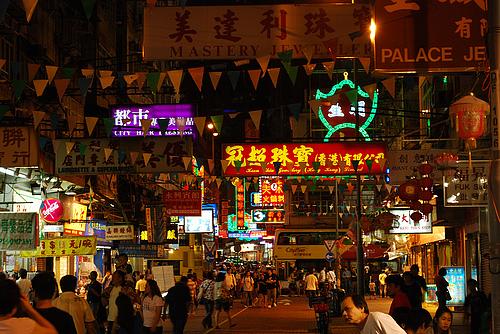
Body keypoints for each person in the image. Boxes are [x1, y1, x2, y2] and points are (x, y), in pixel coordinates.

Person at [341, 294, 406, 334]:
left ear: (361, 308)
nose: (344, 314)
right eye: (342, 311)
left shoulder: (376, 318)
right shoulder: (362, 329)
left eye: (347, 309)